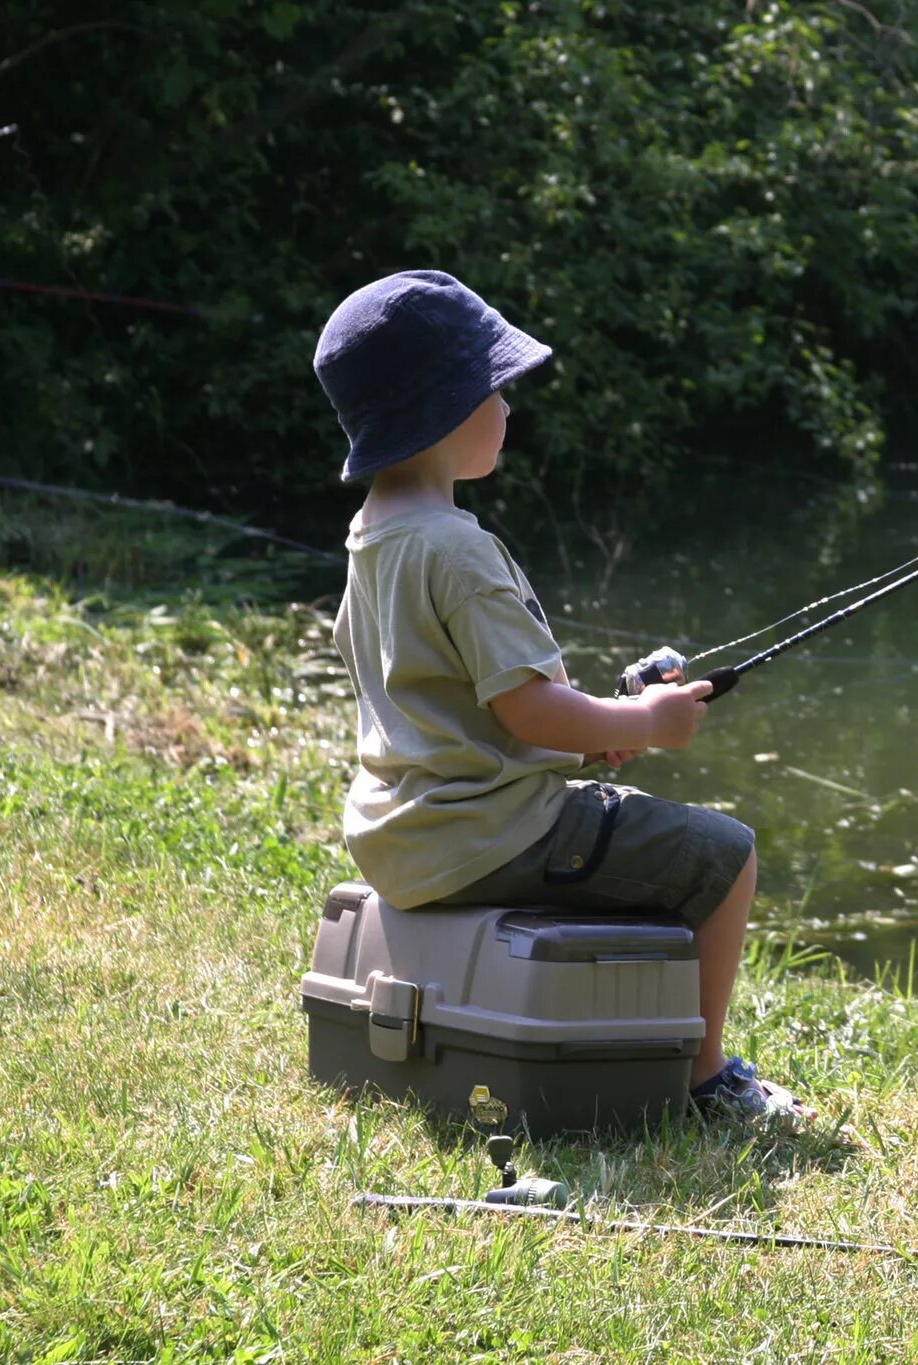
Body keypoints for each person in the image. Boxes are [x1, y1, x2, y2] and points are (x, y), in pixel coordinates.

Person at [313, 269, 810, 1121]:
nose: (508, 405)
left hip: (405, 838)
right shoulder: (460, 551)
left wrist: (599, 728)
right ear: (447, 410)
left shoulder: (373, 540)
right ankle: (707, 1076)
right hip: (493, 831)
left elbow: (466, 710)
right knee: (725, 856)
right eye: (496, 387)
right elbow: (530, 711)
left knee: (630, 809)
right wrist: (646, 723)